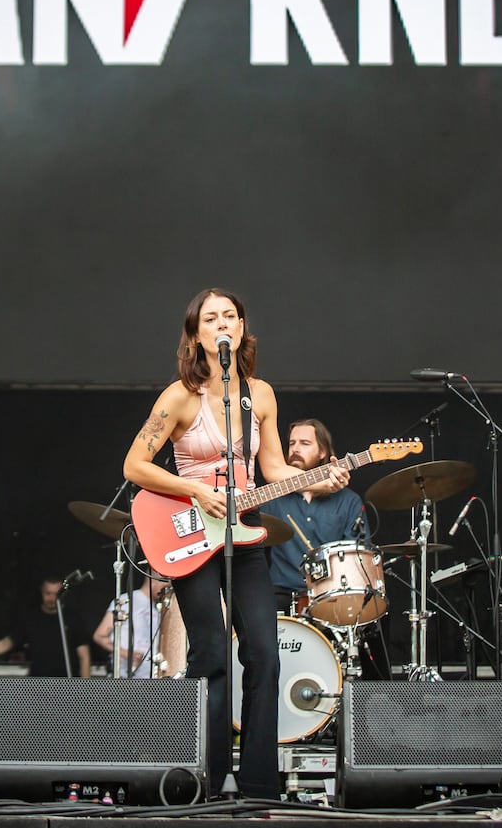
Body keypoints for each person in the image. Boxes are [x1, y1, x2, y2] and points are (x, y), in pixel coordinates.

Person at [122, 287, 349, 800]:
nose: (222, 323)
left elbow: (272, 469)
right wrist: (196, 488)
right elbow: (134, 465)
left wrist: (319, 479)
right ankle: (207, 776)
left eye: (231, 316)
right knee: (211, 654)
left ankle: (260, 784)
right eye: (211, 317)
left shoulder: (260, 394)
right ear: (196, 333)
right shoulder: (178, 395)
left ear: (242, 328)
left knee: (265, 654)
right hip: (190, 529)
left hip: (244, 531)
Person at [262, 419, 366, 610]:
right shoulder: (272, 497)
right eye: (292, 443)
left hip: (331, 596)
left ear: (323, 452)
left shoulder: (348, 501)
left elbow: (357, 554)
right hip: (281, 596)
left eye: (305, 443)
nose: (295, 449)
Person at [0, 575, 93, 677]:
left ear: (63, 594)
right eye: (47, 593)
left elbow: (84, 656)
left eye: (56, 594)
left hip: (67, 685)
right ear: (41, 592)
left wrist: (82, 691)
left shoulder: (72, 618)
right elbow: (6, 644)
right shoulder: (30, 618)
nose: (51, 598)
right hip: (38, 686)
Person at [93, 571, 170, 678]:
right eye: (165, 587)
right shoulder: (127, 600)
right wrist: (127, 654)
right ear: (153, 581)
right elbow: (100, 636)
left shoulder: (158, 608)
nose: (166, 592)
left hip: (149, 678)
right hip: (124, 677)